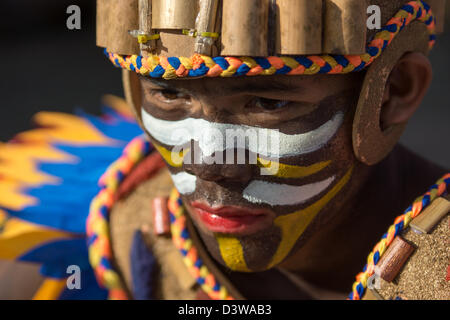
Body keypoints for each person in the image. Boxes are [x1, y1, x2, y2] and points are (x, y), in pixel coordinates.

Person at [0, 0, 448, 300]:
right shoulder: (105, 226)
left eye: (269, 103)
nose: (210, 162)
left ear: (390, 93)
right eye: (170, 95)